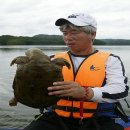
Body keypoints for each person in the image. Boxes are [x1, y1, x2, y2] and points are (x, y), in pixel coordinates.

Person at [24, 13, 129, 130]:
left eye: (74, 32)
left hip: (98, 119)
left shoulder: (110, 60)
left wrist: (86, 93)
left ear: (92, 34)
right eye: (65, 33)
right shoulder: (51, 59)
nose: (68, 37)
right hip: (56, 117)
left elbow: (120, 90)